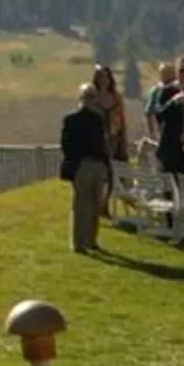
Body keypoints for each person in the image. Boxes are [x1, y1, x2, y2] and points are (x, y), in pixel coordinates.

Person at [59, 69, 123, 254]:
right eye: (87, 96)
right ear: (81, 98)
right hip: (82, 165)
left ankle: (91, 240)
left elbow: (103, 143)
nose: (90, 100)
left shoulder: (98, 120)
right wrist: (75, 164)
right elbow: (66, 144)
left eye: (93, 96)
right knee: (81, 205)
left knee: (95, 204)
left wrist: (105, 164)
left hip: (98, 165)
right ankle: (78, 242)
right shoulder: (71, 119)